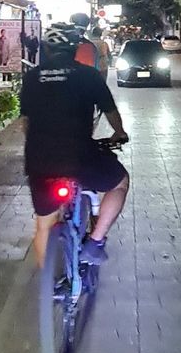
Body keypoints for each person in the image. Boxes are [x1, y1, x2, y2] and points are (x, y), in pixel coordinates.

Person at [20, 25, 129, 268]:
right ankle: (95, 242)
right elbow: (110, 111)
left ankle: (48, 283)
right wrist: (119, 133)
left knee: (44, 224)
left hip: (40, 159)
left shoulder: (31, 77)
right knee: (120, 182)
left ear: (46, 49)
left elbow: (26, 122)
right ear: (75, 50)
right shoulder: (88, 75)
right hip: (80, 156)